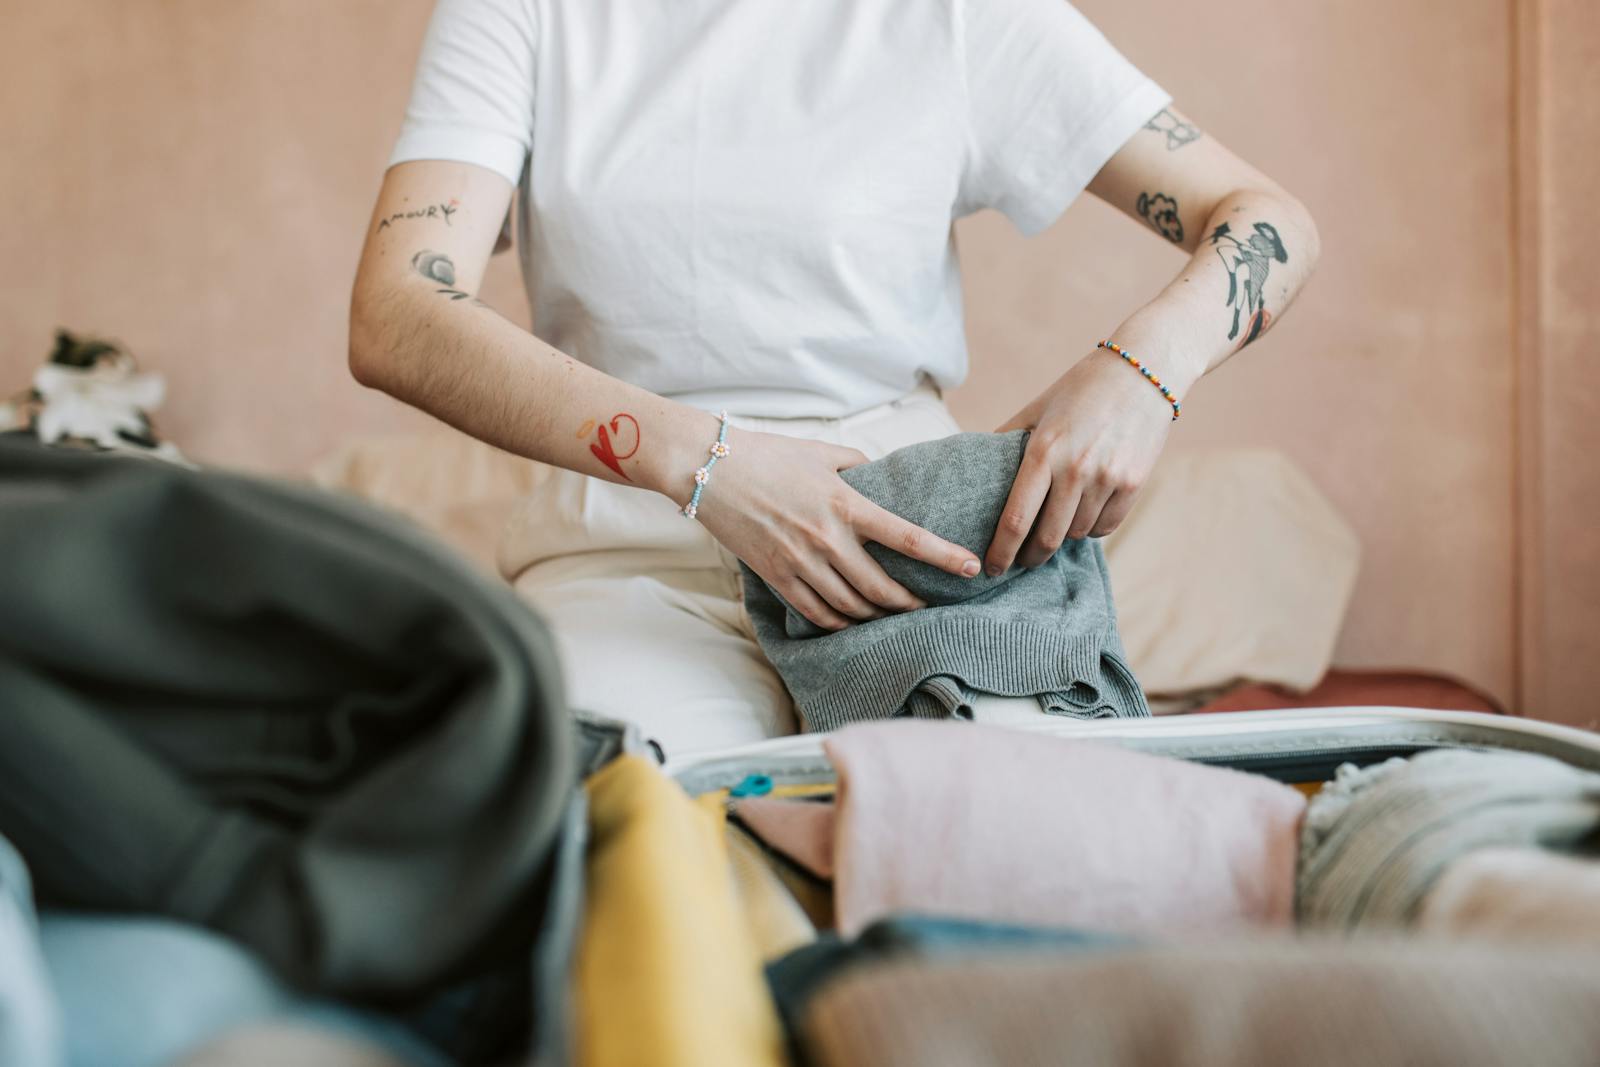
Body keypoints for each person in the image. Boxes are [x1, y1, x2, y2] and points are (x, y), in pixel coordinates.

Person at [350, 0, 1320, 755]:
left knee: (1031, 835)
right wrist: (713, 466)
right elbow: (399, 310)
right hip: (631, 564)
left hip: (917, 565)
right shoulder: (525, 13)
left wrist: (1140, 372)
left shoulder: (955, 17)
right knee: (630, 848)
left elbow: (1264, 217)